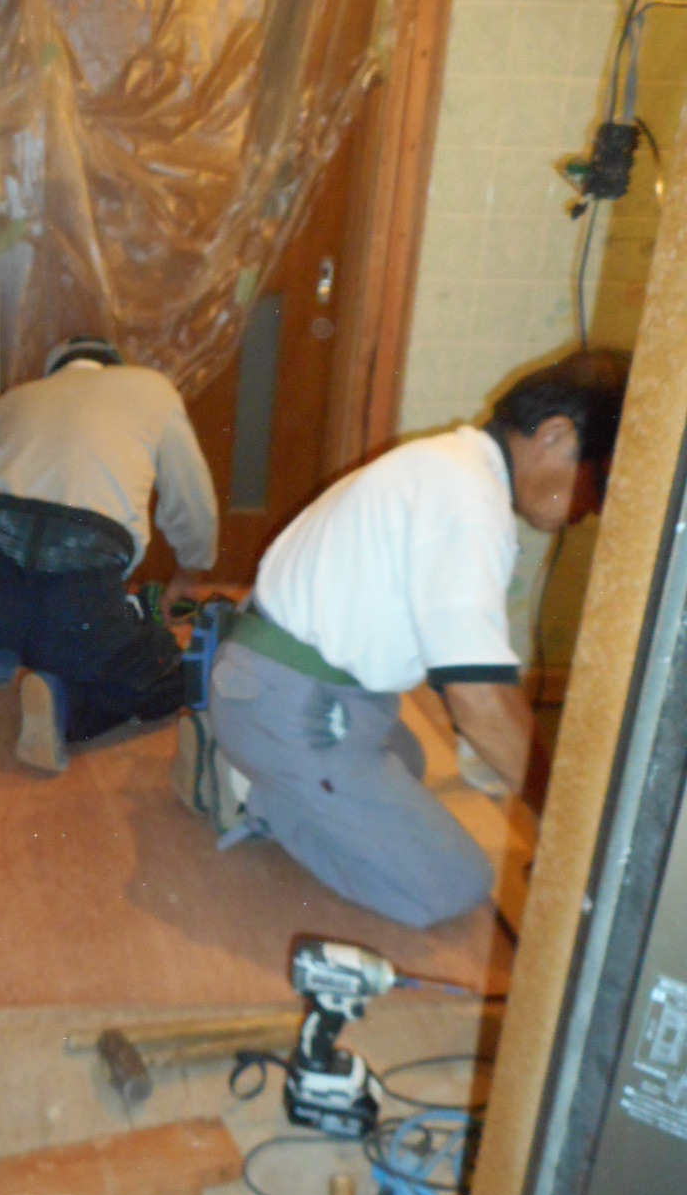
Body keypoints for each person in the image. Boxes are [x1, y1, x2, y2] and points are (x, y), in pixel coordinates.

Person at [177, 349, 629, 929]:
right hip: (288, 703)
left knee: (407, 761)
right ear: (555, 436)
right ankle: (251, 795)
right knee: (455, 886)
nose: (596, 508)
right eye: (601, 480)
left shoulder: (448, 465)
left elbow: (456, 661)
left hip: (279, 682)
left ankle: (264, 769)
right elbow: (480, 698)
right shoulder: (468, 506)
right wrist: (568, 822)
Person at [0, 336, 218, 773]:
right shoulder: (152, 390)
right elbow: (192, 501)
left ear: (54, 373)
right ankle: (66, 699)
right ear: (115, 367)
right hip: (79, 618)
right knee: (169, 676)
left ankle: (0, 650)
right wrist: (189, 573)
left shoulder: (11, 402)